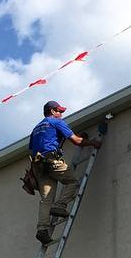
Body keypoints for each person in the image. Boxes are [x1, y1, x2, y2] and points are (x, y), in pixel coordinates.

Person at [26, 100, 102, 245]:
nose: (61, 114)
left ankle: (42, 230)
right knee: (72, 182)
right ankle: (60, 206)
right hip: (52, 161)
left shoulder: (36, 129)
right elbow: (76, 141)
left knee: (46, 199)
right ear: (52, 112)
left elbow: (31, 149)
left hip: (38, 166)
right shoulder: (56, 122)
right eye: (59, 111)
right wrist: (93, 142)